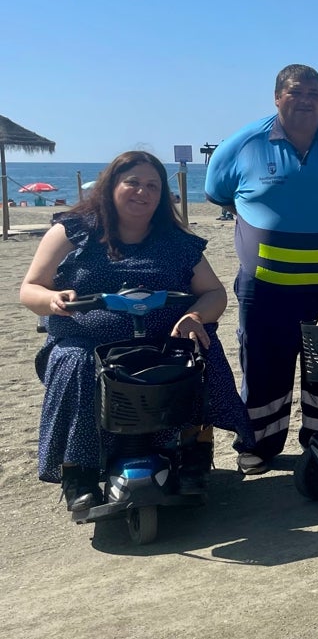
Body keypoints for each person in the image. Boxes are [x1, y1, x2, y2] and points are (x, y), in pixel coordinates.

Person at [20, 151, 252, 509]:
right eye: (133, 182)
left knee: (199, 348)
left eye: (152, 186)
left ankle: (194, 453)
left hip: (162, 335)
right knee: (75, 362)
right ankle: (78, 472)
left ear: (161, 196)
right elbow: (30, 288)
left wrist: (194, 316)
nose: (141, 192)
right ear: (111, 185)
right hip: (86, 338)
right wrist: (51, 299)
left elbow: (214, 292)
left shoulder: (176, 241)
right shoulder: (73, 232)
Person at [205, 64, 318, 474]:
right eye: (296, 93)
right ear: (277, 97)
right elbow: (218, 193)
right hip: (265, 289)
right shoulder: (242, 145)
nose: (306, 101)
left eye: (314, 95)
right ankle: (259, 448)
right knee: (264, 368)